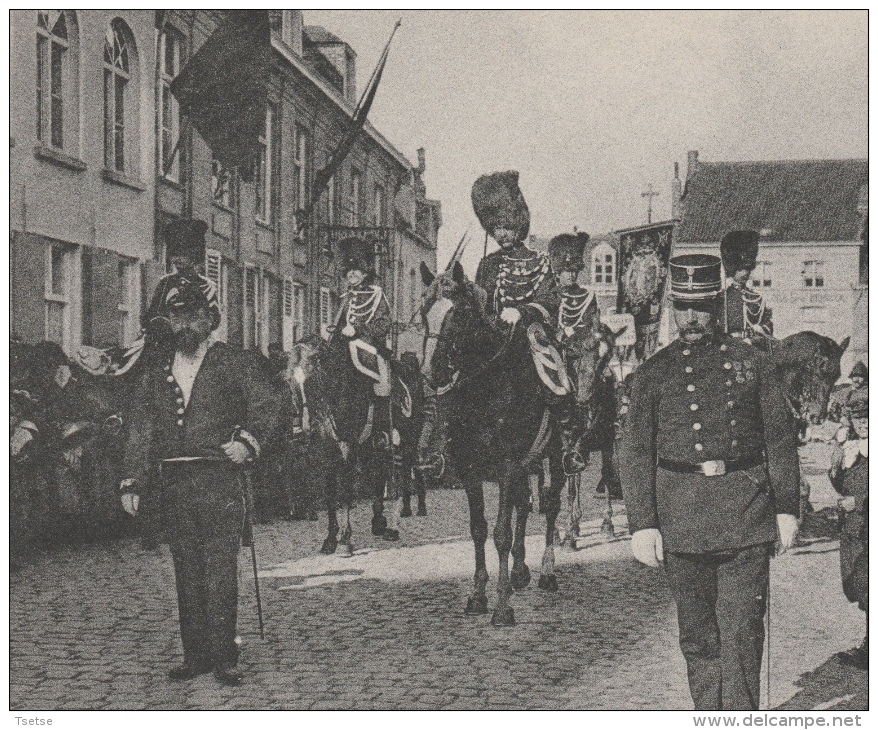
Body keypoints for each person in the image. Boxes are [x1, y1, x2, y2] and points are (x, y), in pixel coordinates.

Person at [619, 253, 800, 711]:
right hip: (683, 518)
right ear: (673, 307)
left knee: (742, 633)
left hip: (745, 513)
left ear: (718, 305)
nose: (692, 318)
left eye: (701, 306)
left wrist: (786, 508)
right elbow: (636, 451)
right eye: (683, 306)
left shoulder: (752, 362)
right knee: (698, 637)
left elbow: (779, 439)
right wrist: (642, 522)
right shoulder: (654, 372)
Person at [120, 279, 280, 686]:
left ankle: (225, 655)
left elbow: (267, 407)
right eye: (177, 317)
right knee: (186, 568)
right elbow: (140, 427)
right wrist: (131, 480)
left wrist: (247, 443)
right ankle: (196, 656)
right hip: (174, 481)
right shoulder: (157, 368)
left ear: (211, 319)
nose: (184, 326)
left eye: (193, 317)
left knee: (219, 568)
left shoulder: (236, 362)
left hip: (218, 480)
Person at [472, 171, 578, 465]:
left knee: (554, 371)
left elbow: (549, 299)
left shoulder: (539, 261)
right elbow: (481, 300)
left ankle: (567, 440)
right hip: (495, 333)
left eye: (506, 227)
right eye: (495, 228)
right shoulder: (486, 264)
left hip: (530, 331)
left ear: (518, 225)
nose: (501, 234)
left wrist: (521, 311)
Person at [548, 232, 600, 473]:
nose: (569, 275)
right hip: (552, 349)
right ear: (556, 271)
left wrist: (576, 340)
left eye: (573, 270)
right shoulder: (548, 294)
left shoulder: (587, 296)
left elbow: (593, 326)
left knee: (587, 372)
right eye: (564, 270)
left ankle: (577, 437)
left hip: (580, 350)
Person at [829, 386, 868, 670]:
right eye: (858, 418)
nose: (863, 423)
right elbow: (842, 486)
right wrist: (834, 469)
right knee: (858, 583)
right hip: (853, 530)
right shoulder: (851, 447)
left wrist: (862, 502)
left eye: (868, 417)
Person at [720, 230, 773, 341]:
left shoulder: (756, 298)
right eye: (740, 269)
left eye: (748, 269)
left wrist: (760, 329)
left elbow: (768, 324)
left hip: (754, 345)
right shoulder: (722, 298)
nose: (745, 273)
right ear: (732, 269)